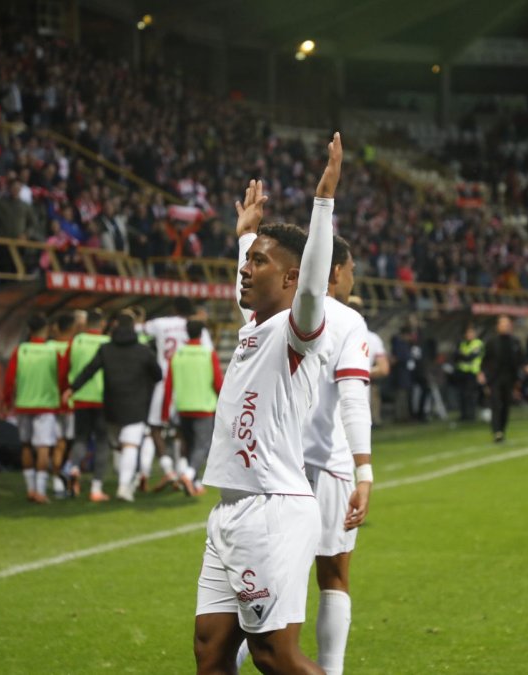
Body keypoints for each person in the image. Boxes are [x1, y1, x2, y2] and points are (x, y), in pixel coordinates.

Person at [193, 132, 339, 675]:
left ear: (292, 278)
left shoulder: (298, 331)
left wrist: (322, 204)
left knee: (275, 656)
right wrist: (246, 236)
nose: (245, 269)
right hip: (230, 510)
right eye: (246, 261)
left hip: (272, 509)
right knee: (210, 651)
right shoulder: (253, 328)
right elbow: (250, 279)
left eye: (258, 262)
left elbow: (312, 282)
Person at [297, 234, 375, 674]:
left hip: (278, 462)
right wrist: (365, 469)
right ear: (335, 271)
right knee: (334, 575)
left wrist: (244, 238)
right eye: (351, 269)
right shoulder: (347, 320)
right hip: (330, 462)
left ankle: (224, 660)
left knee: (272, 583)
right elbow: (352, 399)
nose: (352, 277)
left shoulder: (279, 312)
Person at [62, 311, 162, 502]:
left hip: (111, 407)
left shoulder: (106, 349)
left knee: (116, 445)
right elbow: (158, 375)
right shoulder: (143, 351)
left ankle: (86, 471)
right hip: (136, 406)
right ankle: (123, 486)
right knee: (130, 446)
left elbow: (89, 370)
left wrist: (72, 388)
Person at [141, 297, 213, 492]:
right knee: (185, 434)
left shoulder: (160, 323)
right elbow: (208, 355)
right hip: (188, 385)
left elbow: (139, 330)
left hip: (164, 382)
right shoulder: (199, 329)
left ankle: (168, 470)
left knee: (155, 428)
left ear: (173, 308)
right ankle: (188, 474)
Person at [3, 313, 65, 503]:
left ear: (29, 330)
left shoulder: (20, 351)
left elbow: (10, 379)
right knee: (44, 447)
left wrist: (7, 402)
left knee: (26, 445)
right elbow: (62, 378)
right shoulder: (53, 351)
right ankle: (40, 491)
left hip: (23, 404)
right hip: (46, 406)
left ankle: (31, 489)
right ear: (46, 330)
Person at [161, 319, 224, 496]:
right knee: (203, 445)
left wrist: (165, 411)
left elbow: (168, 386)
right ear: (202, 333)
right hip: (204, 407)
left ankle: (195, 482)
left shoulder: (177, 354)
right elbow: (218, 383)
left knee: (189, 446)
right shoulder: (208, 353)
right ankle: (189, 475)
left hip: (183, 407)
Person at [64, 309, 111, 501]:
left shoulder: (77, 341)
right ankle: (96, 488)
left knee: (80, 439)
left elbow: (67, 365)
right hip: (102, 399)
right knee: (102, 442)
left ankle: (74, 468)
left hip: (80, 397)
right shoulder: (107, 343)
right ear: (102, 324)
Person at [482, 315, 526, 443]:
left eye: (507, 324)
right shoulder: (491, 342)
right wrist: (484, 374)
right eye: (502, 324)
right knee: (496, 405)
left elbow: (521, 358)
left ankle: (502, 429)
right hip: (495, 378)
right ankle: (497, 432)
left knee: (506, 405)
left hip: (510, 378)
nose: (505, 326)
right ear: (498, 326)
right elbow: (485, 360)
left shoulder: (515, 342)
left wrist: (525, 367)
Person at [48, 313, 77, 497]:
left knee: (57, 444)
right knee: (71, 443)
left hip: (51, 400)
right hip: (72, 401)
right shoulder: (75, 347)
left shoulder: (48, 347)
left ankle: (58, 481)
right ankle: (65, 480)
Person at [348, 296, 389, 427]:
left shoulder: (332, 333)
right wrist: (359, 373)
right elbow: (383, 369)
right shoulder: (372, 338)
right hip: (361, 394)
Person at [453, 325, 484, 422]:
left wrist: (462, 355)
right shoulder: (462, 343)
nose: (469, 335)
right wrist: (462, 356)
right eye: (468, 333)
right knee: (462, 394)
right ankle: (464, 415)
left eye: (471, 333)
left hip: (473, 372)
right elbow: (455, 356)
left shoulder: (478, 343)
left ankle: (471, 414)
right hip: (462, 372)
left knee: (470, 394)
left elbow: (470, 357)